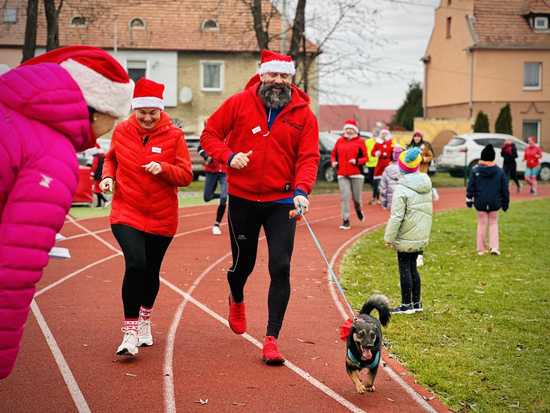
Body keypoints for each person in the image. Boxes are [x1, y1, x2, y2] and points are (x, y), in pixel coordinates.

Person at [0, 45, 133, 379]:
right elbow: (16, 266)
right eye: (113, 118)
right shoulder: (52, 155)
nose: (111, 128)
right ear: (98, 111)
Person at [200, 50, 319, 365]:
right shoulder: (239, 103)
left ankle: (271, 339)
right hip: (243, 197)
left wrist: (302, 191)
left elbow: (308, 157)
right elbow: (209, 135)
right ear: (262, 74)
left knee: (280, 266)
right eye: (273, 75)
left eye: (284, 76)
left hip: (282, 201)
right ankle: (236, 297)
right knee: (243, 265)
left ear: (290, 78)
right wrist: (227, 156)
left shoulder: (303, 113)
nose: (278, 81)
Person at [99, 78, 193, 357]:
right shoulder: (122, 131)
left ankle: (144, 319)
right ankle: (128, 331)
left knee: (151, 271)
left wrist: (163, 168)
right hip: (126, 210)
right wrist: (107, 178)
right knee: (136, 263)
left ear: (161, 111)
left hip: (162, 216)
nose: (148, 117)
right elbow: (111, 158)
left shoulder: (174, 136)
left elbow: (186, 175)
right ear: (134, 109)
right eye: (143, 112)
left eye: (154, 112)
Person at [384, 147, 433, 314]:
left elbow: (397, 217)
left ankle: (406, 305)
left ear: (401, 167)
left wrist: (388, 237)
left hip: (406, 234)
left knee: (405, 268)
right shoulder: (425, 184)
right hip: (420, 233)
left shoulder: (401, 189)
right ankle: (416, 303)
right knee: (413, 268)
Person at [466, 144, 510, 256]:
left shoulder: (475, 170)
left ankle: (481, 249)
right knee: (493, 224)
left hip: (480, 202)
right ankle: (494, 247)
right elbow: (505, 189)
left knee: (481, 224)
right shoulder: (499, 171)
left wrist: (469, 200)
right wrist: (505, 203)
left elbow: (470, 186)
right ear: (493, 158)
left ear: (482, 157)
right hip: (495, 202)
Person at [331, 119, 367, 230]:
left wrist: (356, 161)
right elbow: (333, 154)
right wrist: (333, 161)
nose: (349, 131)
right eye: (347, 129)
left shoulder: (360, 141)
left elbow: (366, 158)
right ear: (344, 130)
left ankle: (358, 210)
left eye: (351, 129)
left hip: (356, 174)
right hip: (342, 173)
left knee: (356, 198)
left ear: (355, 130)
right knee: (344, 196)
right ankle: (345, 220)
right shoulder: (339, 141)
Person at [198, 144, 228, 235]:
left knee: (223, 198)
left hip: (225, 171)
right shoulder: (212, 133)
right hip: (211, 170)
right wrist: (206, 156)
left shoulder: (231, 135)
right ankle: (226, 194)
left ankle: (216, 224)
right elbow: (200, 148)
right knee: (207, 197)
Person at [371, 129, 393, 204]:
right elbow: (372, 153)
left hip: (388, 163)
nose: (384, 135)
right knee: (377, 180)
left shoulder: (391, 142)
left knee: (389, 181)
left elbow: (394, 152)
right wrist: (376, 153)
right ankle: (376, 197)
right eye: (382, 134)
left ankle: (388, 197)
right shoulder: (377, 143)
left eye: (385, 134)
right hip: (380, 163)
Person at [379, 145, 404, 209]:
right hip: (404, 201)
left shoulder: (387, 169)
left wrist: (383, 203)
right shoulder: (408, 169)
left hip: (391, 202)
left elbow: (383, 188)